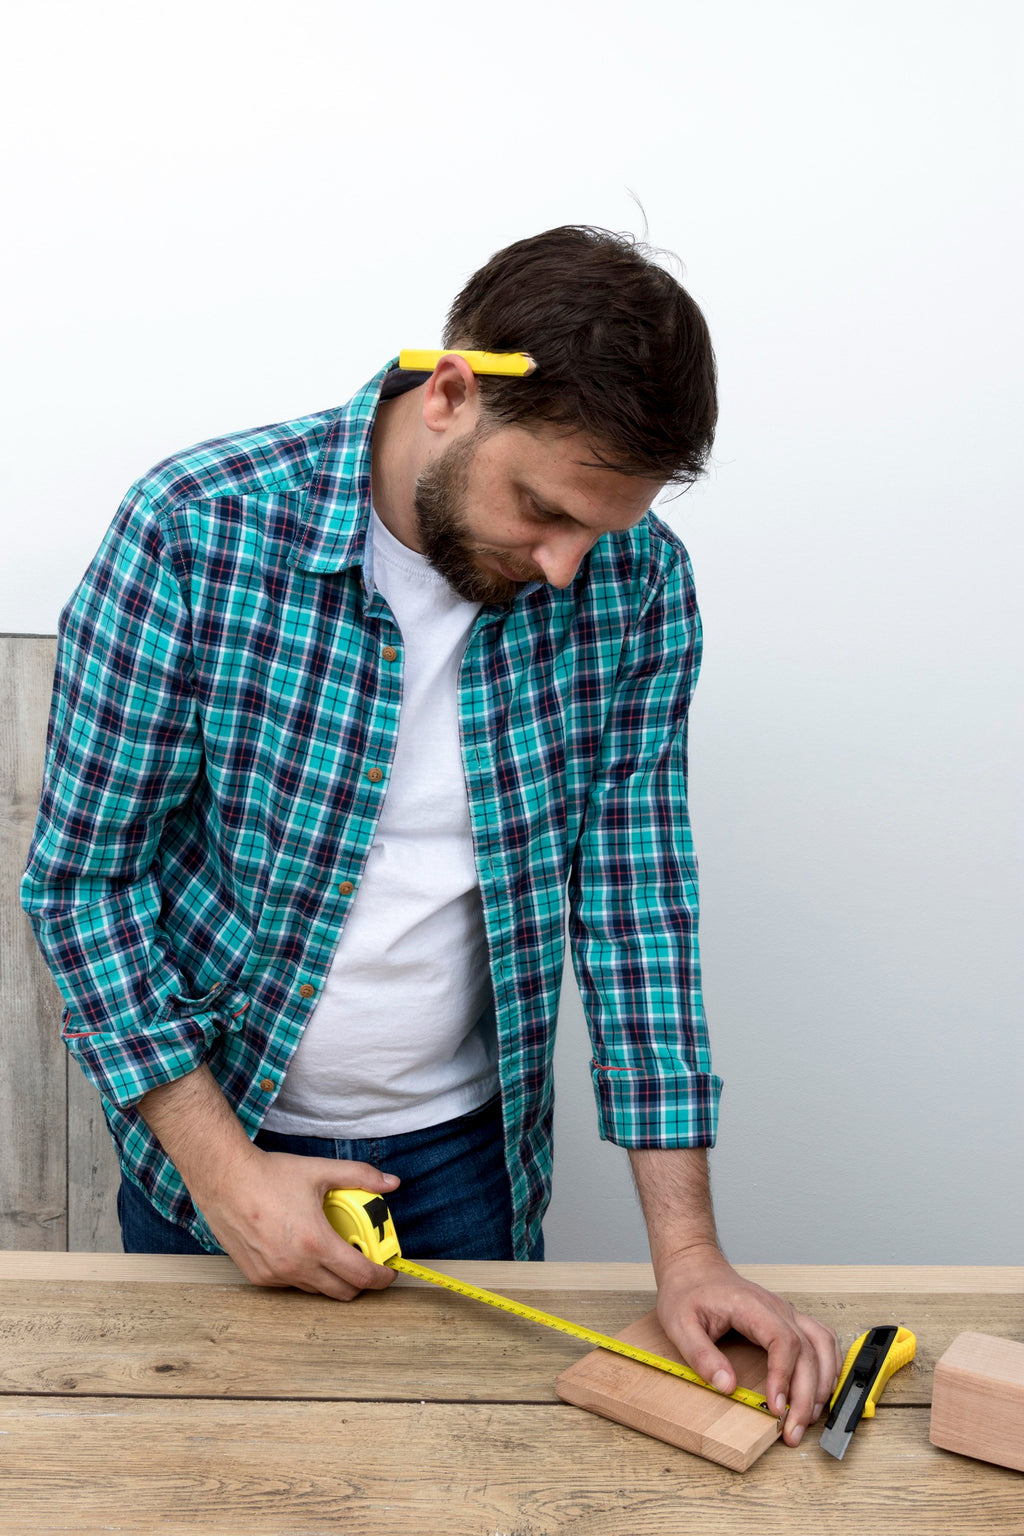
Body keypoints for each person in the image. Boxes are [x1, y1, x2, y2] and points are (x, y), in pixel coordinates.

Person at [23, 225, 840, 1443]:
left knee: (468, 1483)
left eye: (600, 533)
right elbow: (86, 883)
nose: (567, 568)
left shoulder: (638, 587)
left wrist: (689, 1252)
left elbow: (635, 914)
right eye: (544, 510)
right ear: (452, 391)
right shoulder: (195, 532)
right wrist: (224, 1174)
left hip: (467, 1163)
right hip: (214, 1144)